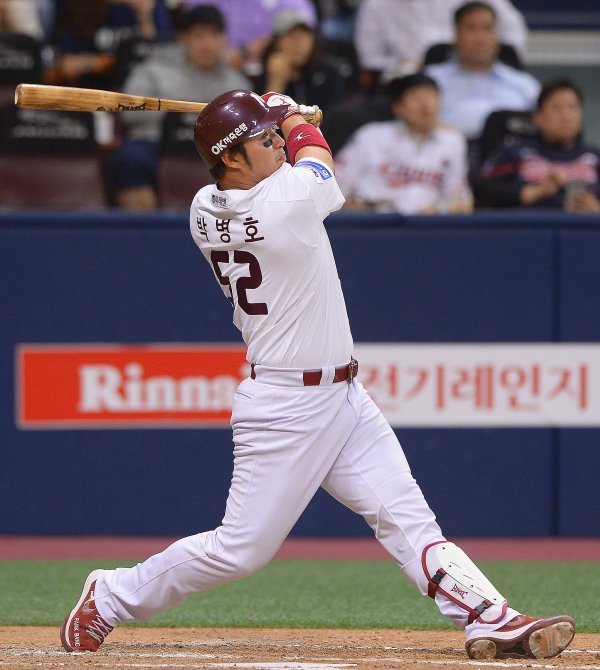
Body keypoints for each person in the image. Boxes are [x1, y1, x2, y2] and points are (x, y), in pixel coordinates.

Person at [59, 87, 576, 662]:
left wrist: (270, 118)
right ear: (231, 158)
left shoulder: (205, 206)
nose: (276, 146)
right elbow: (319, 163)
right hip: (285, 407)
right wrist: (293, 117)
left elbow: (291, 162)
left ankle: (490, 617)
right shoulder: (281, 201)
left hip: (344, 396)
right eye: (263, 142)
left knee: (408, 521)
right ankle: (110, 595)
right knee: (240, 551)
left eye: (274, 138)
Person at [111, 5, 251, 210]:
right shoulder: (154, 70)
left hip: (215, 152)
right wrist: (177, 120)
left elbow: (249, 128)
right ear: (184, 39)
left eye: (214, 35)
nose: (207, 44)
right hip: (156, 143)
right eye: (199, 35)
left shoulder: (237, 84)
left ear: (225, 40)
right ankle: (146, 227)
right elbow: (129, 112)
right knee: (130, 160)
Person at [334, 73, 473, 214]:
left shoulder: (452, 142)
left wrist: (439, 209)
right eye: (416, 98)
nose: (425, 105)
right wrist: (350, 206)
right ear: (398, 107)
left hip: (427, 222)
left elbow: (459, 198)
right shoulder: (371, 135)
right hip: (373, 219)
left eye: (431, 97)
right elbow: (338, 182)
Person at [475, 78, 600, 212]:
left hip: (584, 224)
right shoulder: (514, 153)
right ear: (538, 117)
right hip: (527, 222)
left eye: (573, 107)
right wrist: (535, 192)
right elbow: (481, 189)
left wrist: (596, 209)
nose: (566, 116)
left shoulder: (595, 157)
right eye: (557, 108)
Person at [423, 1, 539, 143]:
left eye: (487, 29)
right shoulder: (431, 80)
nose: (480, 38)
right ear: (456, 36)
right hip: (443, 151)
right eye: (471, 28)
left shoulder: (524, 84)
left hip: (509, 152)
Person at [355, 0, 528, 90]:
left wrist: (486, 53)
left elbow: (514, 33)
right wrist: (404, 66)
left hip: (468, 67)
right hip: (411, 79)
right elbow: (369, 59)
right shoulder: (377, 4)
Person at [46, 0, 173, 89]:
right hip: (92, 91)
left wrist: (144, 18)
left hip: (140, 92)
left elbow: (163, 60)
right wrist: (113, 62)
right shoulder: (74, 5)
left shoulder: (152, 5)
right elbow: (66, 65)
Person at [180, 0, 317, 76]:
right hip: (213, 69)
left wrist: (249, 50)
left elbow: (304, 34)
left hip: (270, 69)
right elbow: (190, 31)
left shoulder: (294, 3)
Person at [253, 9, 348, 114]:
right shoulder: (265, 77)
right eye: (290, 35)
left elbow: (336, 116)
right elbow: (263, 121)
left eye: (304, 35)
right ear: (276, 42)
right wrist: (276, 83)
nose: (298, 43)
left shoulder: (328, 73)